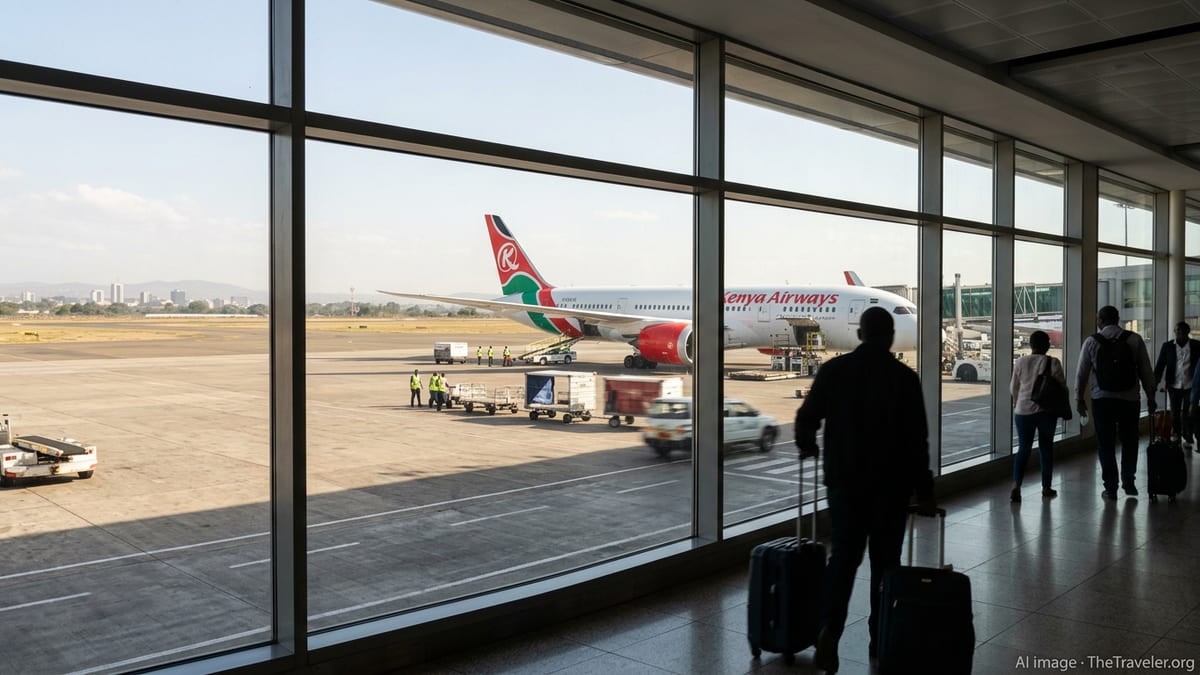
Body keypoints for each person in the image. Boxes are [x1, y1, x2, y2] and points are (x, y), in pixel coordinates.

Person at [795, 306, 936, 672]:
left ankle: (829, 630)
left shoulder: (834, 371)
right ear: (890, 338)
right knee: (885, 565)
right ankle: (880, 636)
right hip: (890, 486)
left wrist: (808, 444)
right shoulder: (904, 378)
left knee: (842, 559)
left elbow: (806, 417)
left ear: (859, 335)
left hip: (845, 483)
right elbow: (917, 440)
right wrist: (925, 490)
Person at [1075, 305, 1156, 499]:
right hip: (1129, 400)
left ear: (1100, 321)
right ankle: (1129, 480)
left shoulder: (1091, 342)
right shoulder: (1134, 340)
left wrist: (1079, 399)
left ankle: (1110, 486)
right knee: (1130, 440)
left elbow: (1082, 374)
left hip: (1102, 400)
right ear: (1118, 319)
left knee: (1105, 443)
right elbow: (1146, 371)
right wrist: (1151, 397)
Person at [1010, 330, 1065, 502]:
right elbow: (1062, 387)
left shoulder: (1020, 361)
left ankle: (1016, 486)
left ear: (1030, 345)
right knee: (1046, 448)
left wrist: (1017, 403)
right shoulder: (1053, 362)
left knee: (1023, 448)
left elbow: (1013, 388)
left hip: (1022, 411)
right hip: (1046, 412)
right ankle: (1046, 487)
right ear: (1047, 345)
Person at [1155, 321, 1200, 450]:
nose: (1179, 332)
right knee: (1174, 413)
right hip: (1173, 386)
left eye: (1181, 330)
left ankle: (1187, 436)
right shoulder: (1168, 346)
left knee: (1187, 413)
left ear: (1188, 331)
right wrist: (1155, 382)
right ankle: (1177, 436)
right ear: (1174, 332)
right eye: (1177, 330)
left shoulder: (1196, 345)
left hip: (1190, 385)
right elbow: (1160, 366)